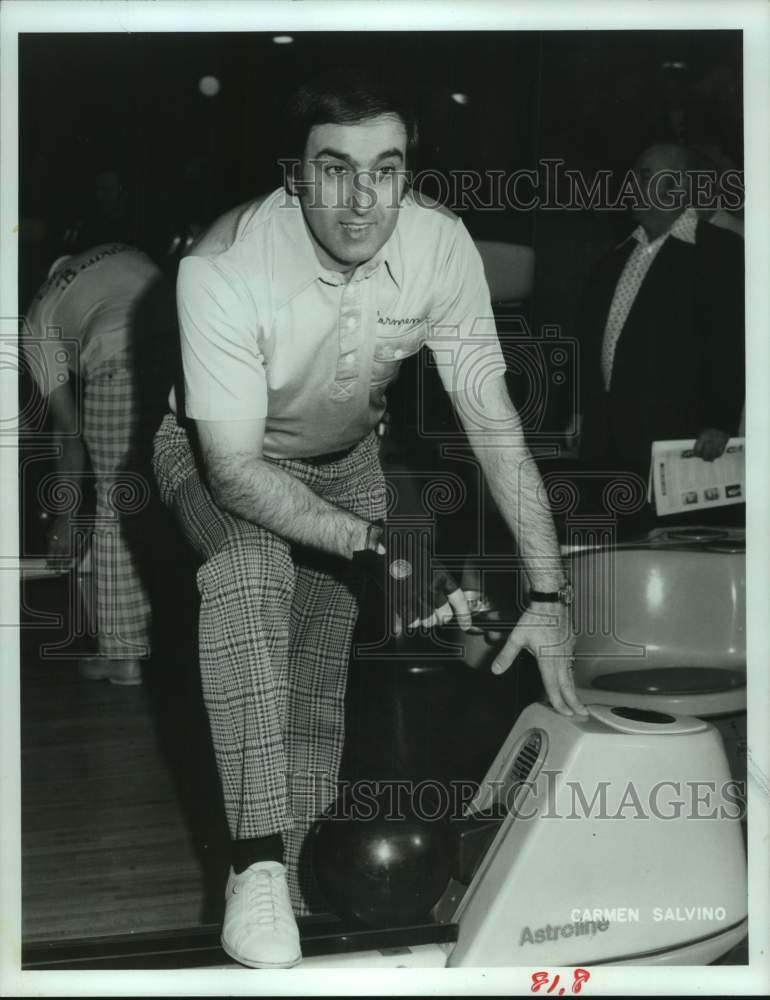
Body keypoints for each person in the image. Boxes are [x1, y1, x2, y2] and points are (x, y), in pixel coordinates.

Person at [151, 67, 585, 970]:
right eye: (334, 169)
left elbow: (497, 431)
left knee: (316, 675)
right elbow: (233, 470)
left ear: (407, 173)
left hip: (347, 462)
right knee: (248, 575)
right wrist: (377, 544)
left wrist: (548, 592)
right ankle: (255, 864)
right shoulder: (223, 266)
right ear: (295, 174)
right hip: (216, 455)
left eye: (385, 169)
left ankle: (299, 879)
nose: (361, 199)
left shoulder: (440, 246)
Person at [22, 244, 176, 684]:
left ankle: (123, 654)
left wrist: (65, 518)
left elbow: (68, 429)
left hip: (118, 365)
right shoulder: (120, 251)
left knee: (115, 505)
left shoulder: (37, 316)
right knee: (177, 494)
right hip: (187, 355)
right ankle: (177, 640)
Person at [577, 142, 744, 521]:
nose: (631, 183)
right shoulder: (615, 258)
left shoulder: (720, 251)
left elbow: (731, 339)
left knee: (678, 551)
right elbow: (592, 342)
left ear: (678, 187)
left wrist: (719, 420)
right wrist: (579, 412)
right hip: (610, 438)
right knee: (620, 549)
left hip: (682, 440)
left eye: (645, 174)